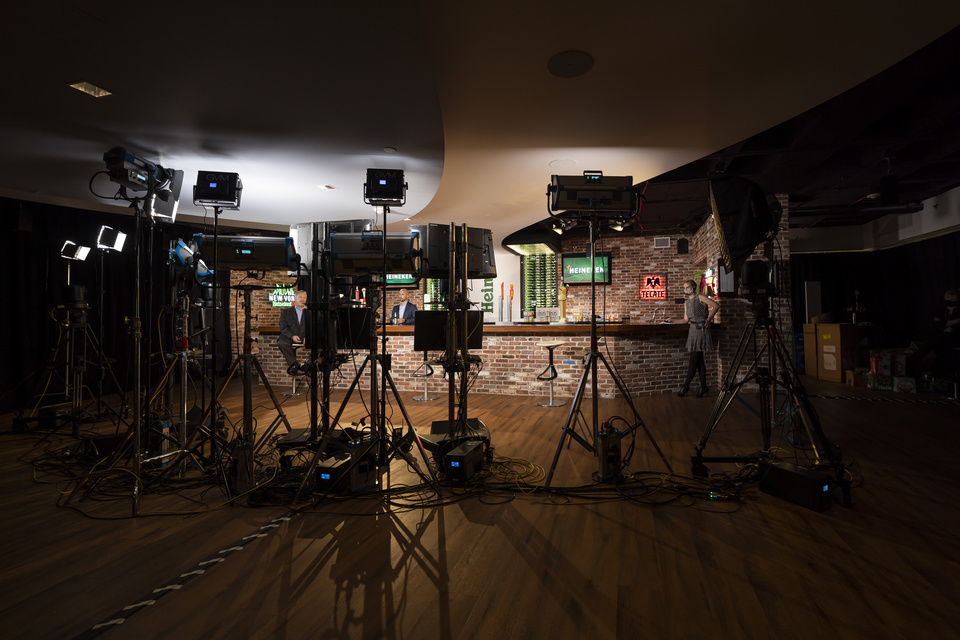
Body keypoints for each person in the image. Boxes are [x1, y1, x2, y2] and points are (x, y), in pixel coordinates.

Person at [677, 278, 720, 397]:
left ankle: (685, 387)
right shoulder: (687, 302)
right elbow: (686, 320)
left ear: (694, 287)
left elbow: (716, 306)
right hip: (692, 330)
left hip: (701, 330)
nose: (686, 289)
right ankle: (704, 387)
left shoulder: (700, 297)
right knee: (699, 361)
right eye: (684, 288)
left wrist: (709, 319)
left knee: (693, 361)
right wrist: (672, 321)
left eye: (688, 287)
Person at [911, 288, 960, 376]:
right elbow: (937, 325)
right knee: (939, 343)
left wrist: (946, 324)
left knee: (939, 340)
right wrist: (954, 321)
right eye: (949, 299)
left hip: (954, 337)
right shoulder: (940, 310)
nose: (950, 301)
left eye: (953, 299)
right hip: (941, 336)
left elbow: (955, 326)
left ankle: (915, 357)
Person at [278, 290, 311, 374]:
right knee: (281, 343)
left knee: (320, 345)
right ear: (295, 298)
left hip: (305, 336)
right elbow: (283, 327)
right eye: (300, 297)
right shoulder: (286, 312)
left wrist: (308, 336)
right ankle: (294, 363)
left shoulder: (310, 312)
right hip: (290, 337)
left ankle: (308, 365)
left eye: (304, 297)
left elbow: (314, 326)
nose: (303, 299)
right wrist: (292, 336)